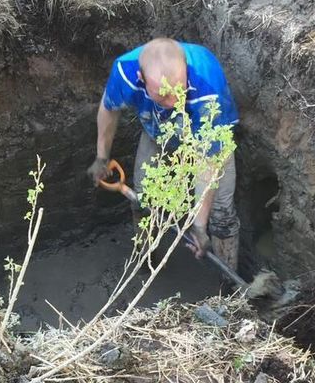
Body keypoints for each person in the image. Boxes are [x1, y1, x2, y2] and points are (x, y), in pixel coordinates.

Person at [87, 38, 241, 270]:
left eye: (178, 92)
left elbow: (208, 160)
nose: (173, 103)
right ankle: (146, 264)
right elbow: (109, 109)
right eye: (163, 96)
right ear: (141, 78)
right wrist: (102, 157)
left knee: (222, 216)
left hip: (210, 135)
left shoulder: (207, 83)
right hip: (158, 131)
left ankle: (230, 292)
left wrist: (199, 225)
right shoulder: (126, 71)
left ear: (186, 72)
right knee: (145, 200)